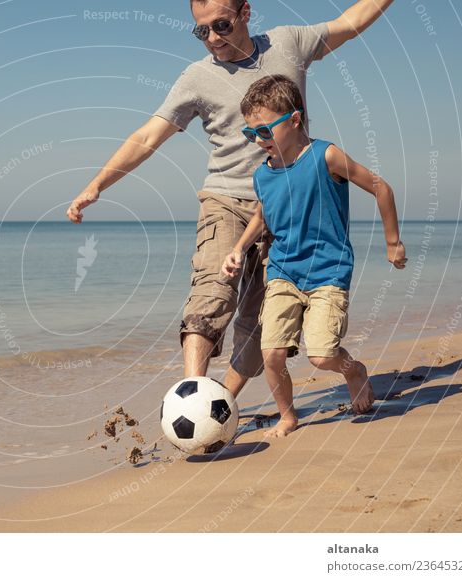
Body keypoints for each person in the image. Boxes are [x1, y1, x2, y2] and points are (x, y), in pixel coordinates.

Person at [66, 0, 396, 398]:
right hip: (225, 200)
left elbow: (352, 21)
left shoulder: (288, 43)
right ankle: (193, 394)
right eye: (201, 30)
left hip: (283, 211)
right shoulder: (196, 78)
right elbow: (148, 136)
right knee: (211, 292)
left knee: (259, 332)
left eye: (220, 25)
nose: (212, 38)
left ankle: (218, 408)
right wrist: (98, 184)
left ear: (245, 13)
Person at [222, 74, 407, 437]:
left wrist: (392, 242)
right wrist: (238, 248)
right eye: (250, 134)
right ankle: (288, 416)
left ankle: (353, 370)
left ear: (294, 120)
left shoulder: (326, 156)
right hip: (282, 272)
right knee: (272, 352)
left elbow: (380, 187)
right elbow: (262, 215)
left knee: (321, 356)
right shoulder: (263, 174)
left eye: (263, 131)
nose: (258, 141)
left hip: (328, 273)